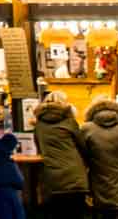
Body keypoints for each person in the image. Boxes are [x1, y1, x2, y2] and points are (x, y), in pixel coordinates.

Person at [32, 90, 87, 219]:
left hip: (53, 180)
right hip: (75, 178)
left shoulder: (39, 126)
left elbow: (39, 148)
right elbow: (83, 147)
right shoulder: (70, 122)